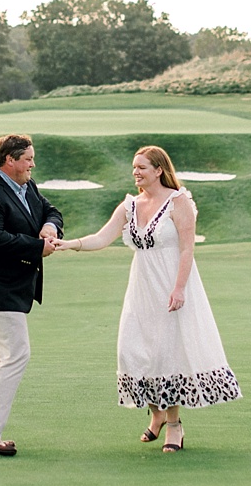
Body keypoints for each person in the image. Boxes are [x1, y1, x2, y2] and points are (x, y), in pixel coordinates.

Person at [58, 144, 240, 452]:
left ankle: (173, 426)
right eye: (134, 167)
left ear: (159, 170)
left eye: (142, 167)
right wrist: (69, 244)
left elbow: (186, 248)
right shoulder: (129, 206)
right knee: (133, 351)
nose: (136, 172)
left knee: (166, 354)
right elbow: (101, 238)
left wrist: (180, 288)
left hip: (171, 285)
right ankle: (155, 415)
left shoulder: (178, 201)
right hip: (141, 288)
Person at [0, 133, 62, 456]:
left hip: (9, 289)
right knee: (17, 353)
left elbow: (51, 210)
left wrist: (50, 228)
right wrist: (37, 247)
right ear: (10, 160)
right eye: (28, 158)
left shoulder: (26, 186)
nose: (33, 163)